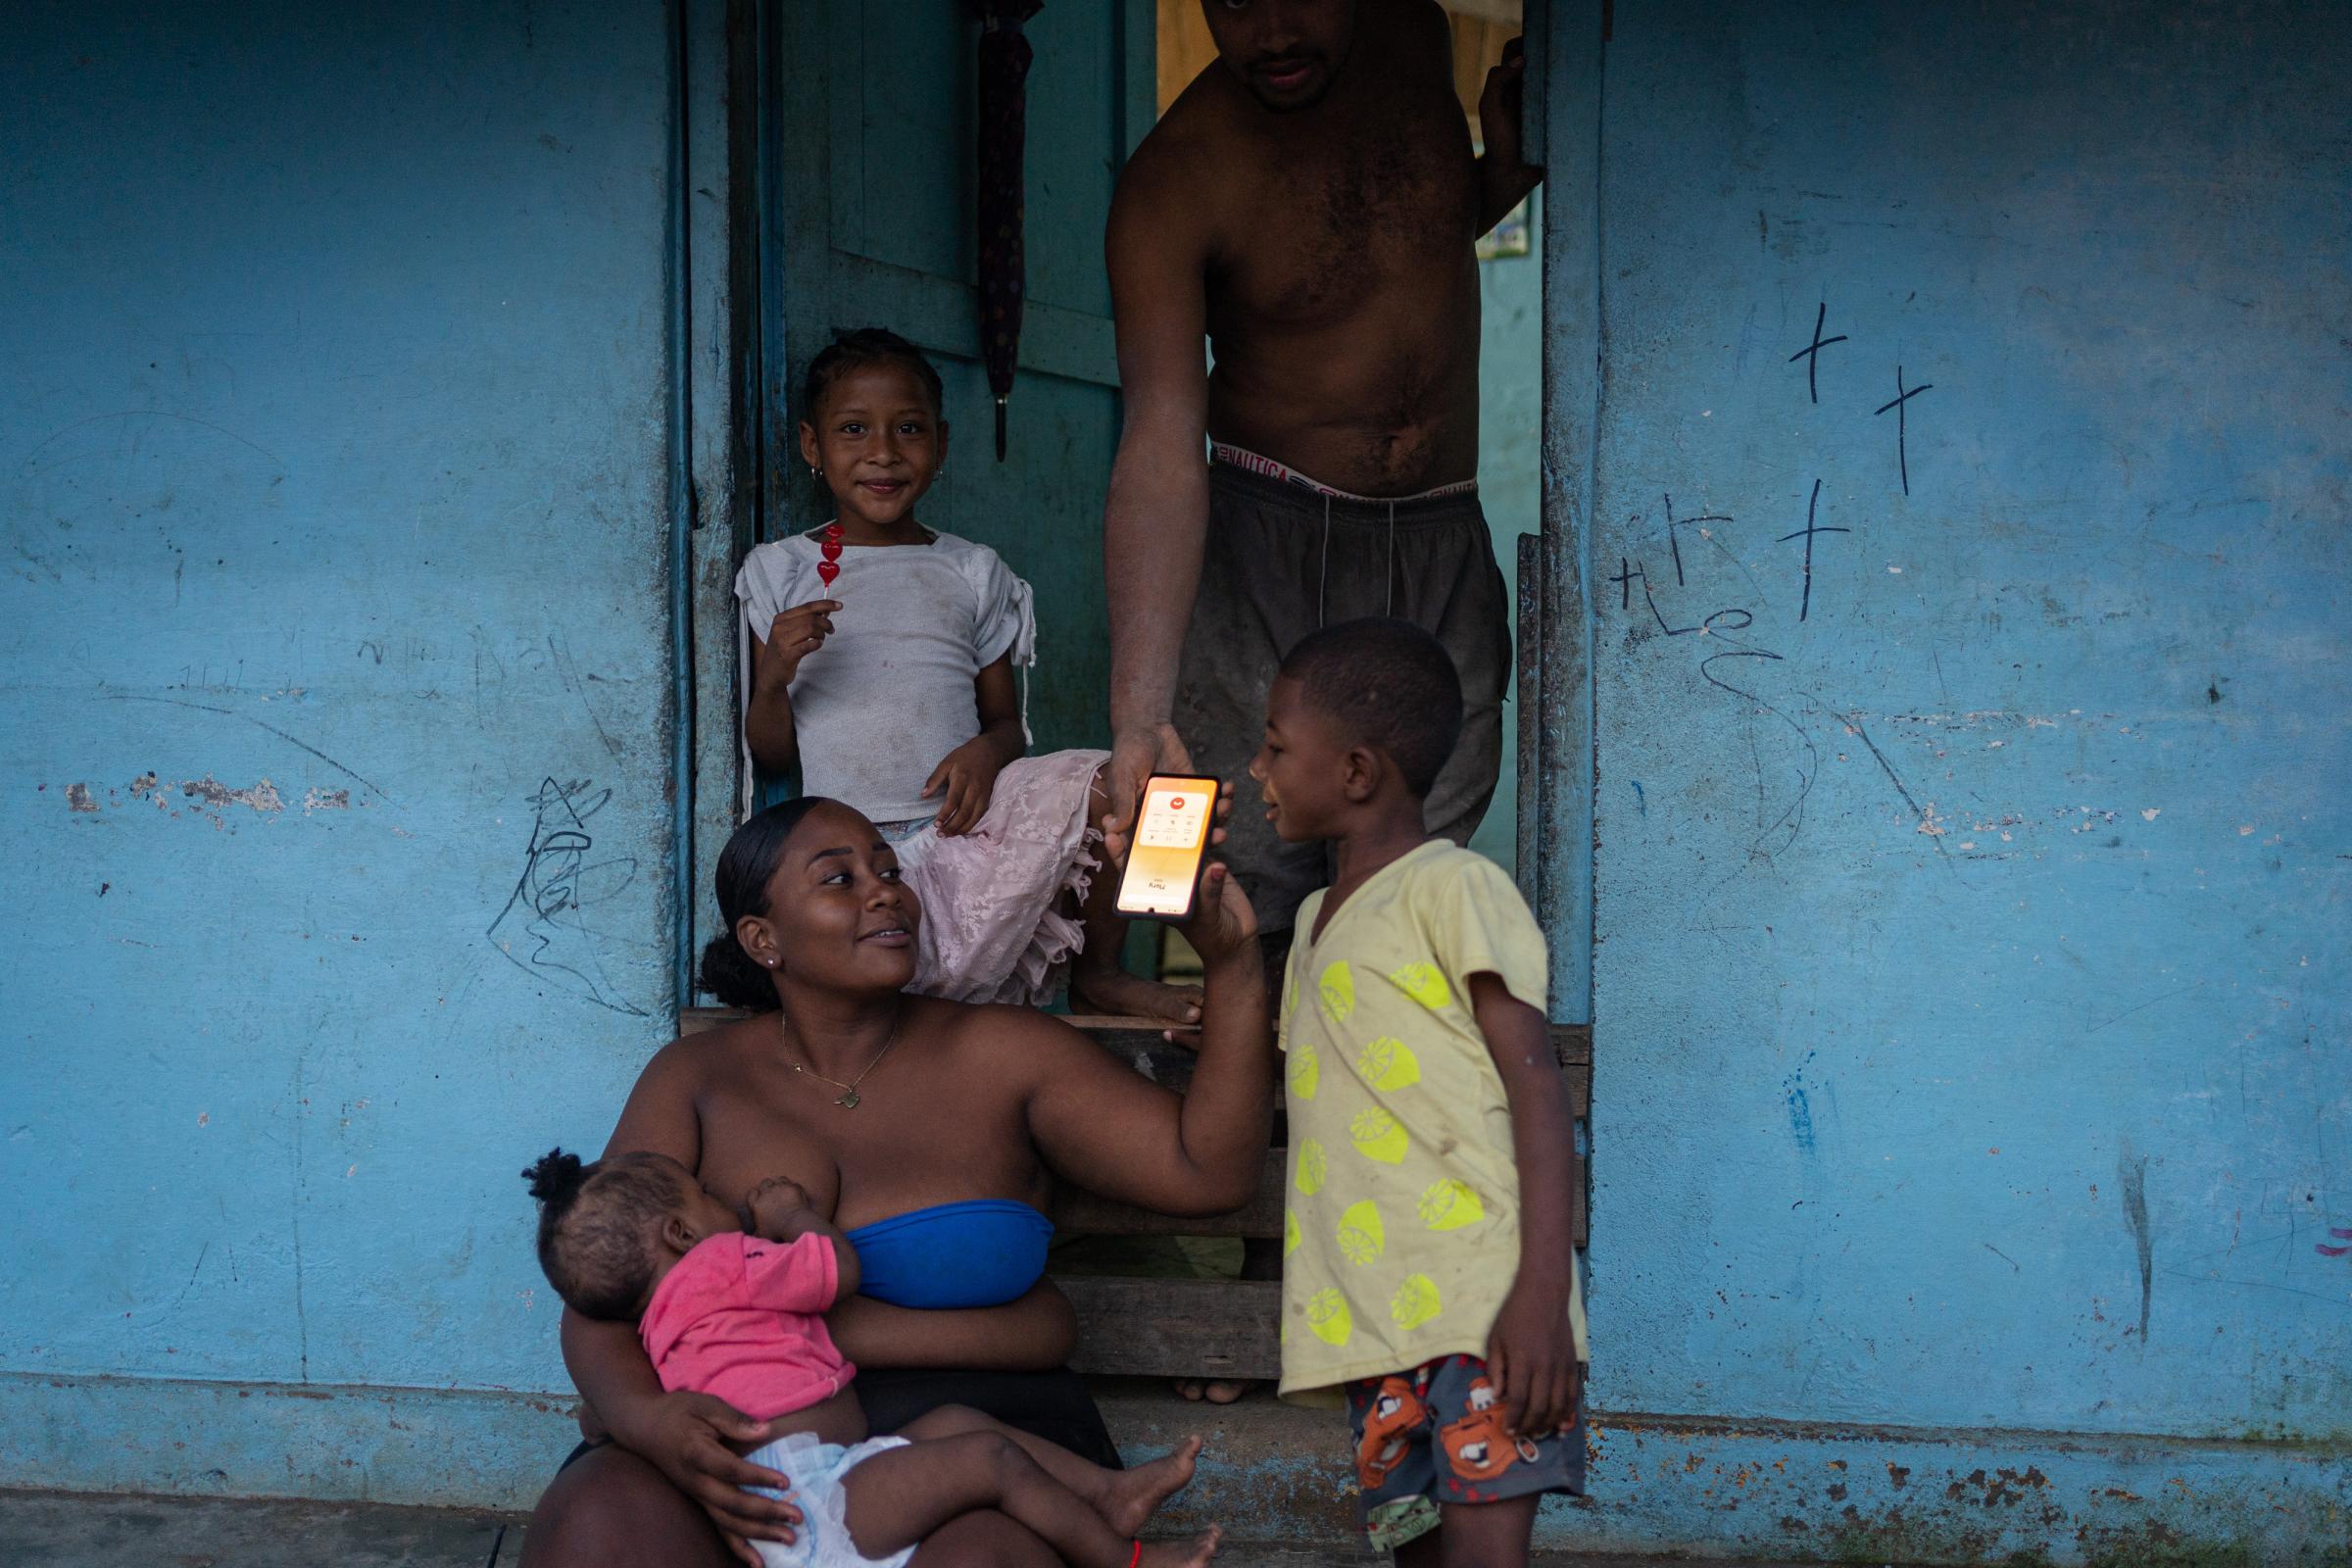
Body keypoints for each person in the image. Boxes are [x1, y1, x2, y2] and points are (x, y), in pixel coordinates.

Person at [519, 794, 1270, 1568]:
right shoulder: (694, 1081)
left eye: (887, 869)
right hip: (748, 1438)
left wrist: (1233, 962)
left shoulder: (1004, 1054)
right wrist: (649, 1423)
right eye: (838, 879)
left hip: (983, 1430)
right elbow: (598, 1300)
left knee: (986, 1556)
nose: (886, 890)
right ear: (763, 938)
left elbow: (1206, 1172)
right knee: (600, 1523)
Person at [1101, 0, 1544, 949]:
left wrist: (1501, 174)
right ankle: (1205, 1046)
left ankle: (1374, 1074)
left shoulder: (1415, 34)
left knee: (1414, 865)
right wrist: (1137, 718)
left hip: (1438, 535)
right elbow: (1158, 443)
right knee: (1225, 877)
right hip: (1265, 537)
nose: (1273, 32)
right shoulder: (1170, 184)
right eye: (1235, 3)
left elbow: (1395, 248)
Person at [1250, 618, 1587, 1564]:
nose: (1256, 768)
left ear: (1356, 772)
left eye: (1276, 747)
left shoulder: (1455, 889)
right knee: (1419, 1555)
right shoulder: (1314, 920)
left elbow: (1537, 1093)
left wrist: (1542, 1296)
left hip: (1483, 1310)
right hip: (1373, 1324)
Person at [740, 327, 1197, 1024]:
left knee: (1140, 786)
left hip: (971, 837)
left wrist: (986, 753)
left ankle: (1106, 967)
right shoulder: (778, 574)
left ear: (943, 444)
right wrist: (773, 676)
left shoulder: (972, 572)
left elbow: (1006, 724)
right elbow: (771, 753)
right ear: (812, 445)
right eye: (854, 429)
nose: (884, 453)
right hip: (863, 863)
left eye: (910, 429)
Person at [520, 1149, 1222, 1568]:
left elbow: (598, 1419)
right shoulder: (721, 1262)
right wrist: (790, 1216)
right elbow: (833, 1270)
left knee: (949, 1422)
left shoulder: (655, 1328)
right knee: (987, 1459)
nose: (723, 1199)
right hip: (816, 1499)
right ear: (680, 1233)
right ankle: (1127, 1560)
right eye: (705, 1196)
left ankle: (1105, 1492)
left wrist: (621, 1419)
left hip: (794, 1496)